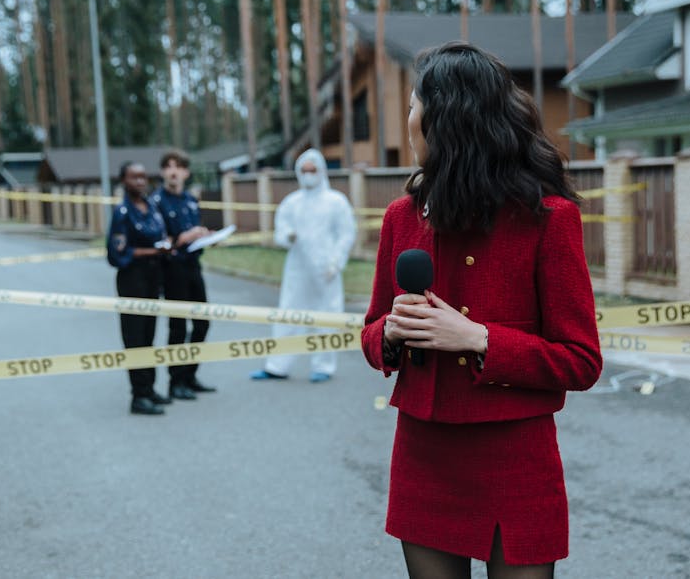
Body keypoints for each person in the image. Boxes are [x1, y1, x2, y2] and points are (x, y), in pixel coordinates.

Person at [360, 42, 602, 579]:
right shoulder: (402, 216)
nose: (408, 120)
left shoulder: (549, 219)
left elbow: (582, 361)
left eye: (413, 105)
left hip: (515, 458)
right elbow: (371, 330)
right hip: (425, 453)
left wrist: (478, 339)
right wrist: (393, 334)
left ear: (445, 118)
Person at [251, 148, 356, 383]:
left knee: (327, 316)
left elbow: (346, 234)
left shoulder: (336, 201)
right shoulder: (292, 203)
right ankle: (277, 366)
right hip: (297, 269)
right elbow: (280, 230)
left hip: (326, 268)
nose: (309, 174)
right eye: (304, 170)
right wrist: (287, 236)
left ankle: (324, 366)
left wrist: (336, 262)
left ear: (322, 171)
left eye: (313, 170)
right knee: (288, 313)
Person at [107, 161, 173, 415]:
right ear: (123, 180)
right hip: (132, 279)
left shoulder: (152, 207)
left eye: (143, 177)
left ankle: (150, 388)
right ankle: (138, 395)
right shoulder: (122, 212)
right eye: (134, 177)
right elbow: (117, 252)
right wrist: (153, 250)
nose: (140, 181)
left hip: (153, 277)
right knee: (135, 338)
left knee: (149, 336)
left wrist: (166, 244)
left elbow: (161, 235)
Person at [152, 150, 216, 400]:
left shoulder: (190, 200)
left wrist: (205, 237)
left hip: (193, 266)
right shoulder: (157, 202)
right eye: (168, 166)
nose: (173, 171)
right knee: (178, 327)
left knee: (202, 322)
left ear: (186, 173)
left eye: (178, 166)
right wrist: (183, 238)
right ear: (162, 172)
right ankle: (175, 382)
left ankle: (190, 375)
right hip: (171, 270)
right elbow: (157, 240)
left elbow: (194, 234)